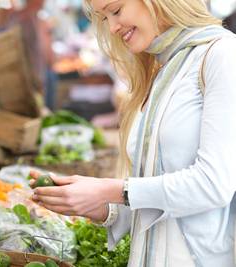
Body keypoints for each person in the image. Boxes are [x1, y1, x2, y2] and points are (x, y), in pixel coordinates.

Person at [30, 0, 236, 266]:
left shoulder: (223, 55)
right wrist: (103, 208)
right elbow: (159, 196)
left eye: (115, 10)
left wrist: (114, 191)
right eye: (104, 18)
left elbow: (213, 185)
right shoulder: (162, 69)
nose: (113, 27)